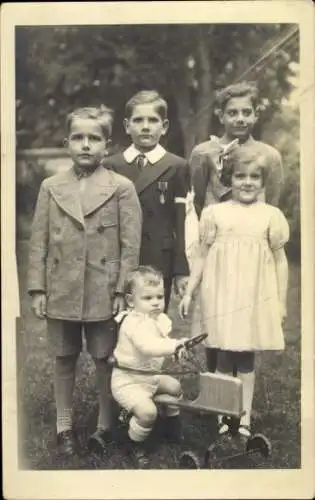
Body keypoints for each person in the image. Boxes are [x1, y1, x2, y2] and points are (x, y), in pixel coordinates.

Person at [28, 106, 142, 456]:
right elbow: (38, 242)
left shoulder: (121, 188)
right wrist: (38, 288)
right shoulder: (51, 187)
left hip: (103, 289)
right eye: (78, 137)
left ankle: (104, 427)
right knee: (63, 356)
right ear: (67, 143)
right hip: (62, 286)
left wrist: (123, 289)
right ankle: (64, 428)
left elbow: (130, 244)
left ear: (107, 145)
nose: (86, 145)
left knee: (104, 357)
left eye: (95, 138)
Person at [179, 146, 289, 438]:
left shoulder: (270, 216)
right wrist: (190, 291)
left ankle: (243, 417)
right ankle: (222, 415)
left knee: (245, 356)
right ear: (229, 178)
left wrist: (280, 301)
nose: (247, 182)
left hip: (252, 296)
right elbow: (201, 256)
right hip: (221, 294)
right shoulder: (215, 213)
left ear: (263, 181)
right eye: (240, 176)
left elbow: (279, 260)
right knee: (223, 354)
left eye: (255, 177)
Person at [189, 81, 285, 373]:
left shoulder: (269, 155)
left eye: (247, 112)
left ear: (256, 115)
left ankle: (240, 387)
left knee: (245, 316)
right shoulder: (204, 152)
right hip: (215, 243)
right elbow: (198, 198)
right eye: (233, 112)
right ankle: (217, 390)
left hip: (252, 247)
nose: (240, 118)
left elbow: (274, 202)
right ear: (220, 114)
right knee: (215, 313)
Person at [103, 90, 190, 309]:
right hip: (121, 258)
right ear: (126, 125)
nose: (145, 126)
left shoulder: (177, 166)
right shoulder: (112, 165)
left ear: (165, 126)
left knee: (152, 320)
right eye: (138, 120)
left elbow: (181, 222)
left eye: (153, 120)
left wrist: (181, 270)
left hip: (159, 259)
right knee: (120, 321)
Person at [111, 266, 189, 468]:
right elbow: (148, 346)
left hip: (149, 377)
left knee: (174, 387)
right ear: (130, 301)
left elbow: (163, 344)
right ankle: (133, 444)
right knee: (148, 412)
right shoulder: (133, 323)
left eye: (160, 297)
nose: (155, 303)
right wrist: (174, 345)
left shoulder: (158, 320)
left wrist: (178, 349)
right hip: (128, 381)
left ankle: (171, 427)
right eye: (148, 298)